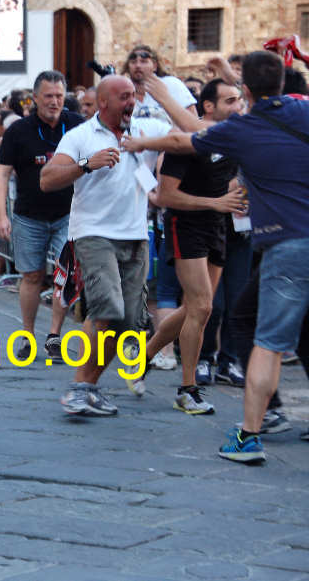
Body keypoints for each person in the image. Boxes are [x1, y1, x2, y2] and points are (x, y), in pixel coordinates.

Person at [122, 51, 309, 462]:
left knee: (263, 339)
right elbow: (180, 142)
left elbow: (187, 129)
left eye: (237, 94)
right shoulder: (300, 109)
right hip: (222, 232)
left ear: (245, 92)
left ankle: (249, 435)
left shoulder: (245, 129)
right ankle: (168, 372)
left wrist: (161, 94)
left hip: (287, 244)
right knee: (213, 310)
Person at [40, 75, 170, 416]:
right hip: (94, 234)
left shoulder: (145, 130)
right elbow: (47, 179)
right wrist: (86, 164)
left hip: (136, 237)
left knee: (127, 321)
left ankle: (89, 387)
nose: (131, 102)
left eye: (133, 96)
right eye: (124, 97)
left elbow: (192, 135)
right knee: (107, 309)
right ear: (103, 103)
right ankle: (77, 389)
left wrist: (167, 102)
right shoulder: (81, 136)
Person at [127, 78, 245, 413]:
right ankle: (187, 389)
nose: (238, 107)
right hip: (186, 225)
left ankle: (143, 358)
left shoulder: (233, 139)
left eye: (239, 99)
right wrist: (215, 203)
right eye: (230, 101)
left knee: (194, 308)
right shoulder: (186, 146)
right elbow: (165, 196)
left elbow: (228, 181)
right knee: (203, 307)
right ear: (209, 107)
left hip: (218, 227)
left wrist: (236, 198)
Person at [0, 71, 84, 360]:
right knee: (32, 276)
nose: (55, 101)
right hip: (28, 215)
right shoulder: (18, 130)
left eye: (59, 96)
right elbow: (1, 172)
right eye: (48, 96)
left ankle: (55, 335)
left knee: (63, 276)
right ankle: (28, 335)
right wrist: (0, 215)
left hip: (68, 214)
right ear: (35, 98)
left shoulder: (77, 125)